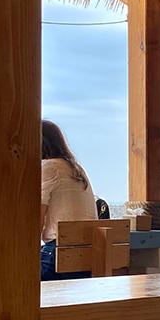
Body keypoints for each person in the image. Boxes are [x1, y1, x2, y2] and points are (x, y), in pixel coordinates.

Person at [39, 120, 97, 280]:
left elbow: (34, 224)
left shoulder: (48, 168)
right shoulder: (77, 170)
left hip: (58, 257)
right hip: (86, 259)